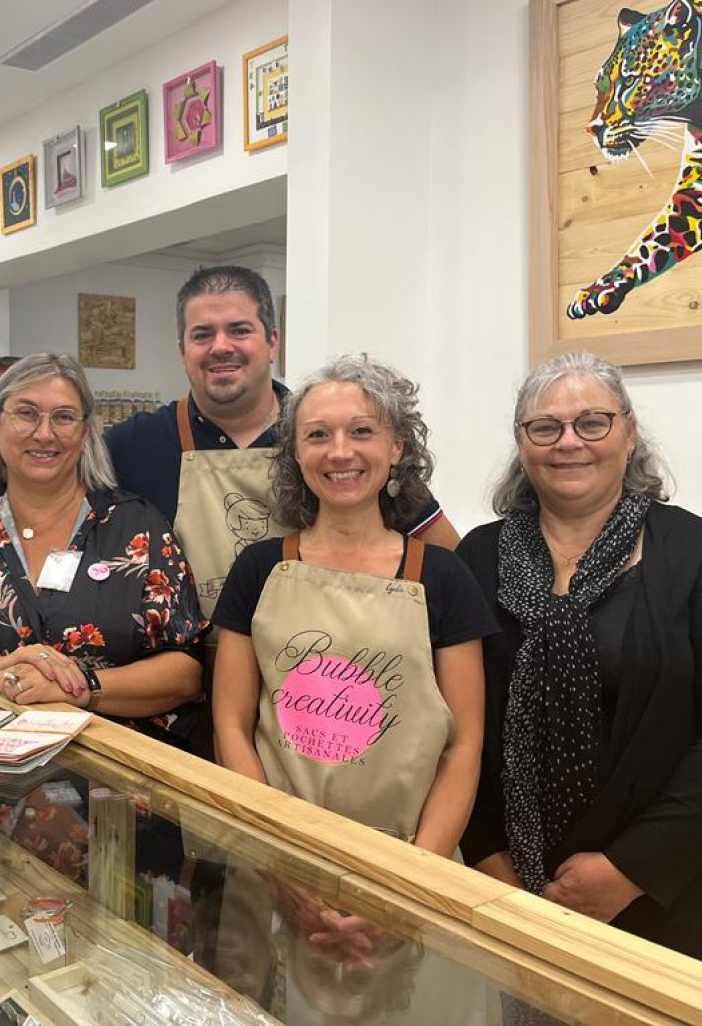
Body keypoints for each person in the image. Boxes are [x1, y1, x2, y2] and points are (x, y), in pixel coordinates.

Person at [457, 351, 702, 963]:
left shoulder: (700, 554)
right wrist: (486, 850)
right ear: (522, 444)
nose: (568, 442)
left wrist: (629, 868)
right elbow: (454, 718)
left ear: (629, 434)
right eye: (544, 427)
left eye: (592, 423)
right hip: (507, 882)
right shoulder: (479, 556)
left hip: (653, 891)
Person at [208, 355, 493, 1016]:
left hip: (412, 870)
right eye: (317, 434)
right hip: (277, 866)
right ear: (295, 453)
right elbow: (231, 725)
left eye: (362, 432)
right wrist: (286, 872)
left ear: (398, 447)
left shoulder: (444, 577)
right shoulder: (259, 569)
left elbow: (464, 745)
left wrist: (404, 888)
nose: (341, 452)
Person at [0, 352, 205, 745]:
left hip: (109, 780)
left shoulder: (136, 527)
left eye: (63, 417)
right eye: (26, 413)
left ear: (84, 433)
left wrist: (79, 687)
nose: (44, 434)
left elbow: (186, 672)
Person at [105, 265, 460, 626]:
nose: (221, 346)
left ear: (272, 341)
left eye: (239, 330)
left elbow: (447, 554)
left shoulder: (327, 439)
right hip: (187, 672)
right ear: (182, 351)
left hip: (325, 664)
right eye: (202, 335)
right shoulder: (130, 446)